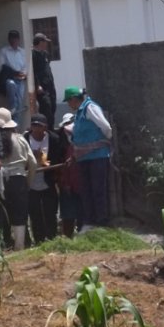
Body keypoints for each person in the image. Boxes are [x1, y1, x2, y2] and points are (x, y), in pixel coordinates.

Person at [63, 87, 113, 229]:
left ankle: (101, 221)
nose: (68, 104)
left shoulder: (89, 108)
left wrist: (100, 143)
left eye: (69, 101)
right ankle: (89, 221)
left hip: (97, 156)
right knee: (86, 190)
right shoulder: (79, 113)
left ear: (74, 99)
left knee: (98, 188)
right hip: (83, 158)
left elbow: (106, 128)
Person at [0, 107, 37, 250]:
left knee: (5, 213)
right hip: (19, 180)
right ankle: (20, 246)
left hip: (0, 182)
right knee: (20, 213)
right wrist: (28, 182)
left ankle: (6, 244)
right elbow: (33, 163)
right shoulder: (20, 139)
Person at [25, 112, 66, 244]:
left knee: (50, 212)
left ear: (45, 127)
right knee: (35, 213)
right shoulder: (25, 139)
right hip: (31, 183)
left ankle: (52, 239)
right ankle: (39, 241)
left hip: (48, 181)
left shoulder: (53, 139)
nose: (36, 129)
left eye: (39, 126)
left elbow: (59, 157)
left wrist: (46, 162)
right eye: (34, 125)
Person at [56, 113, 82, 238]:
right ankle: (67, 238)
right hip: (66, 183)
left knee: (83, 212)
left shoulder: (81, 141)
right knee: (68, 215)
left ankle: (83, 235)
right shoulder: (59, 142)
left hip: (80, 182)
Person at [0, 30, 28, 127]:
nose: (13, 40)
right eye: (11, 38)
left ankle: (14, 127)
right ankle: (13, 106)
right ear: (9, 39)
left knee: (18, 103)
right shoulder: (4, 51)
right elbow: (0, 68)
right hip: (9, 79)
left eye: (15, 38)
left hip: (21, 80)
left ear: (18, 39)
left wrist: (24, 74)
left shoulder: (22, 52)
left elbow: (26, 66)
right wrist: (13, 73)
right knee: (11, 85)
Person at [31, 32, 57, 125]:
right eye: (45, 42)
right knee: (46, 108)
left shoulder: (45, 54)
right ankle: (47, 130)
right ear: (40, 42)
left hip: (50, 85)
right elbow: (33, 71)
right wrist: (37, 85)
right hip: (42, 88)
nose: (46, 44)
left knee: (53, 107)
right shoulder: (33, 55)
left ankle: (52, 131)